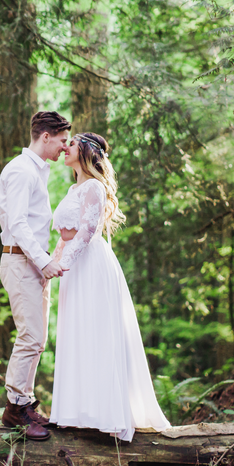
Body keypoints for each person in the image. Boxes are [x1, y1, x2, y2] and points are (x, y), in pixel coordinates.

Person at [49, 132, 171, 441]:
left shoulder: (94, 187)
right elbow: (65, 236)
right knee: (77, 332)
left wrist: (64, 263)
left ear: (86, 151)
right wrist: (50, 264)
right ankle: (79, 412)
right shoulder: (73, 188)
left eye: (71, 144)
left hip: (90, 264)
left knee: (97, 332)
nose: (65, 148)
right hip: (73, 268)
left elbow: (87, 231)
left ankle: (108, 414)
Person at [0, 110, 71, 440]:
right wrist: (43, 261)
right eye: (62, 140)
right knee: (30, 337)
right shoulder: (21, 171)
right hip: (20, 262)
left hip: (34, 264)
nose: (65, 147)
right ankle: (15, 410)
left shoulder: (37, 171)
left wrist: (47, 259)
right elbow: (17, 224)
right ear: (45, 137)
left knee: (37, 340)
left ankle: (24, 403)